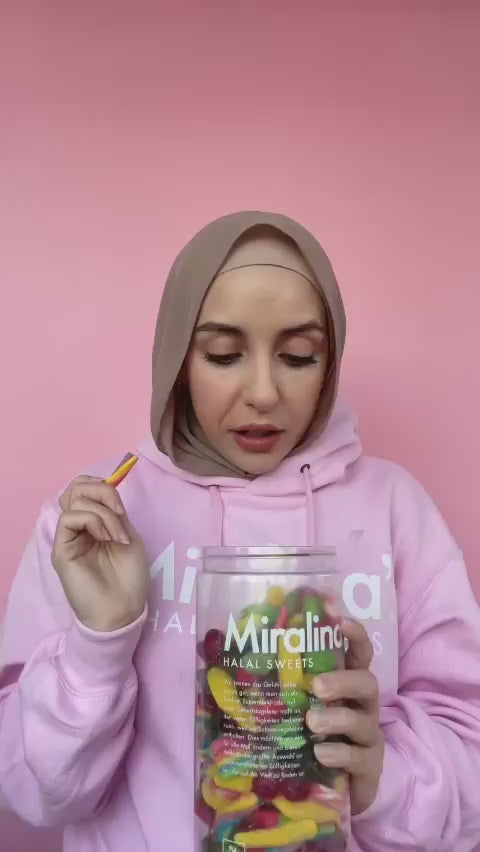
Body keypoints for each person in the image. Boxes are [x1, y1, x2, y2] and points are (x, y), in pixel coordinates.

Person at [1, 211, 479, 852]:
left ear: (330, 361)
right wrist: (99, 643)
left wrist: (380, 780)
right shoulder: (97, 522)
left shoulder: (396, 510)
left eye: (298, 356)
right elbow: (30, 792)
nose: (263, 392)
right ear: (178, 357)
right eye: (223, 354)